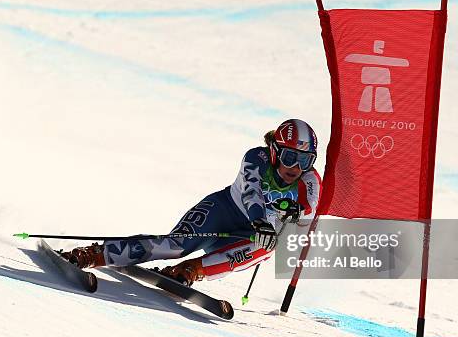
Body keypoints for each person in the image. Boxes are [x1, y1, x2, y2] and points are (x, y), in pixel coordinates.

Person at [61, 118, 323, 286]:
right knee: (176, 245)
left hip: (247, 236)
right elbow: (251, 193)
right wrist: (261, 220)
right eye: (290, 157)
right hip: (224, 211)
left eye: (304, 160)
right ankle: (95, 254)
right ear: (275, 151)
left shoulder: (310, 180)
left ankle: (190, 271)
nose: (295, 167)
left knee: (269, 246)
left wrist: (295, 213)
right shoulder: (257, 157)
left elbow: (309, 210)